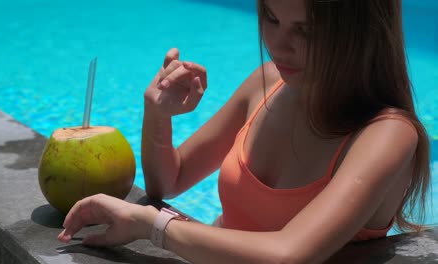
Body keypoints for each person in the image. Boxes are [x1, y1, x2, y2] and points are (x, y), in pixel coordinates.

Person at [58, 0, 431, 263]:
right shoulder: (267, 83)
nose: (279, 45)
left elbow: (289, 255)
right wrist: (159, 113)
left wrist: (150, 225)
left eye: (307, 29)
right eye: (271, 17)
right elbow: (169, 182)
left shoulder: (386, 133)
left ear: (363, 33)